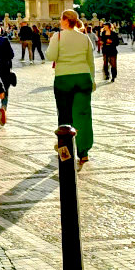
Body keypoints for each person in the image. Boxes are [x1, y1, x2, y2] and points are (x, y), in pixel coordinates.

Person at [47, 9, 96, 166]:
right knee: (83, 115)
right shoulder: (84, 38)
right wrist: (92, 79)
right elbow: (90, 61)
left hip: (64, 78)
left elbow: (51, 56)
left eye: (61, 19)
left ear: (66, 21)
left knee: (65, 114)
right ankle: (84, 152)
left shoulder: (58, 36)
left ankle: (66, 149)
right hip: (83, 77)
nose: (60, 21)